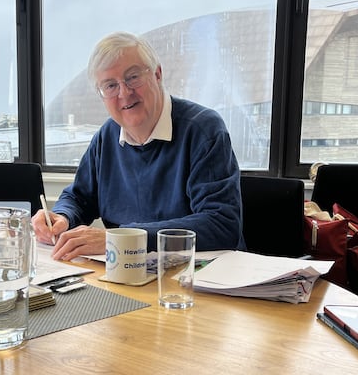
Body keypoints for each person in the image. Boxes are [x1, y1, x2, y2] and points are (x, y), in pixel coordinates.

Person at [32, 31, 245, 260]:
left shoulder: (203, 130)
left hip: (199, 278)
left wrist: (122, 239)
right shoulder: (107, 136)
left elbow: (221, 223)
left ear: (158, 74)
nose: (124, 93)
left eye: (132, 77)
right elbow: (79, 197)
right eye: (110, 86)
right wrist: (62, 217)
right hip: (126, 271)